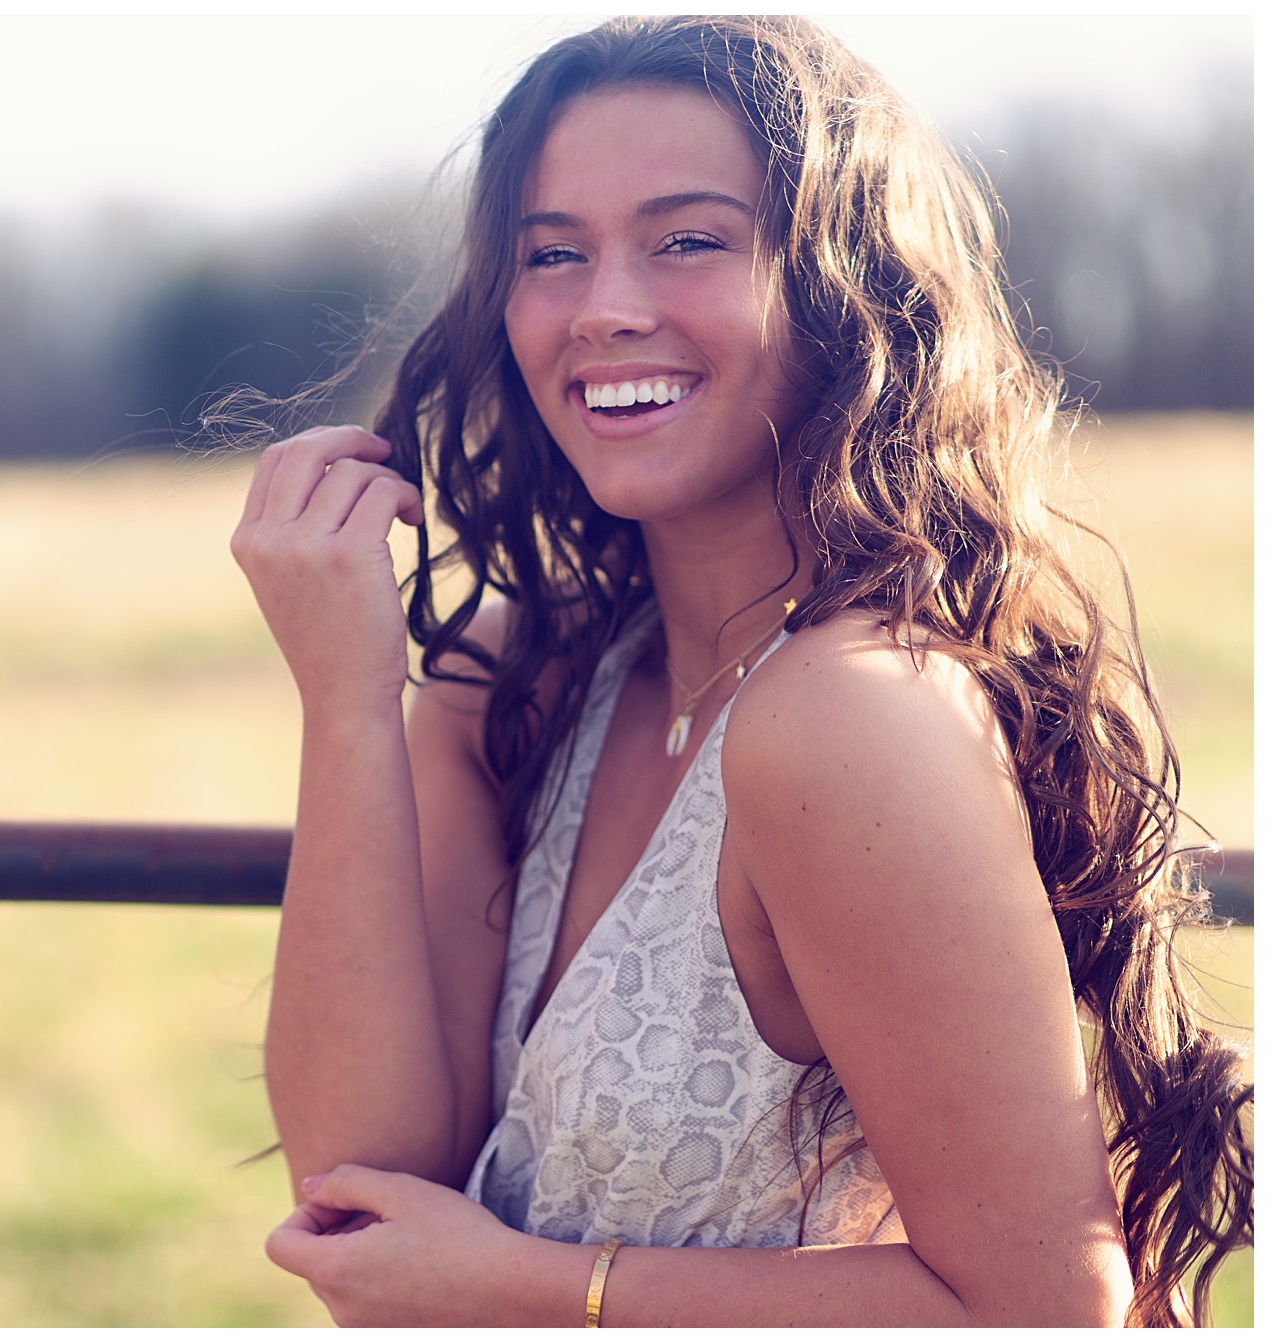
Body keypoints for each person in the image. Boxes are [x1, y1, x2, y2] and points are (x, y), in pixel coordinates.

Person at [227, 14, 1250, 1328]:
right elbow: (359, 1196)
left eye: (687, 240)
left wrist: (544, 1292)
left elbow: (1044, 1310)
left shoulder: (846, 722)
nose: (605, 307)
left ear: (845, 291)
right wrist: (350, 704)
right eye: (551, 254)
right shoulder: (526, 686)